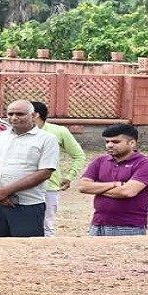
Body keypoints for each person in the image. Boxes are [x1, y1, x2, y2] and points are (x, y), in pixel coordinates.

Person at [0, 100, 60, 238]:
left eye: (20, 114)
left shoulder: (47, 139)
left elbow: (45, 173)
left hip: (26, 205)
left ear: (33, 116)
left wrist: (5, 191)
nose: (14, 117)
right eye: (10, 114)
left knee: (26, 249)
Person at [77, 124, 148, 236]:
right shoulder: (100, 161)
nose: (109, 145)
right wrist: (116, 184)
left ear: (132, 143)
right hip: (98, 224)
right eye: (107, 142)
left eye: (115, 142)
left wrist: (96, 188)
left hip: (129, 227)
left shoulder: (145, 163)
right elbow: (83, 186)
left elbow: (127, 192)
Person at [31, 101, 86, 237]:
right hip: (19, 185)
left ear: (35, 115)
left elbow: (78, 155)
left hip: (48, 186)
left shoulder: (58, 131)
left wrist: (69, 176)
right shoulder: (13, 133)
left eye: (20, 113)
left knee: (46, 226)